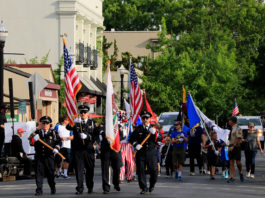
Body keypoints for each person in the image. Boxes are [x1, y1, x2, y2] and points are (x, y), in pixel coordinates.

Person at [29, 116, 61, 196]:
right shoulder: (36, 133)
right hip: (39, 156)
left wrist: (57, 148)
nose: (45, 125)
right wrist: (33, 140)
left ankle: (52, 187)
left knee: (50, 174)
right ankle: (39, 190)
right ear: (41, 124)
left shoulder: (53, 133)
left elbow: (59, 142)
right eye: (43, 123)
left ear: (49, 124)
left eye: (47, 123)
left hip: (49, 156)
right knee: (39, 174)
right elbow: (30, 143)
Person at [128, 111, 158, 194]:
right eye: (143, 118)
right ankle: (143, 188)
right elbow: (131, 139)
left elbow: (160, 139)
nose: (145, 120)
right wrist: (136, 144)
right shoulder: (138, 129)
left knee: (154, 170)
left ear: (150, 119)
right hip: (141, 153)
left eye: (147, 118)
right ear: (141, 119)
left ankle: (152, 185)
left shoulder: (154, 128)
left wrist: (156, 133)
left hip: (151, 152)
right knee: (141, 171)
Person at [71, 105, 96, 195]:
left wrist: (88, 136)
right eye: (81, 112)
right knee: (79, 170)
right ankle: (80, 188)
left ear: (88, 114)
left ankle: (90, 186)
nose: (83, 114)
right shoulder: (76, 123)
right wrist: (72, 123)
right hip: (79, 150)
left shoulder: (92, 123)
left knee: (90, 169)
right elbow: (67, 128)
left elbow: (95, 136)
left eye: (84, 112)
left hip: (88, 150)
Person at [99, 123, 121, 194]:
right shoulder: (102, 127)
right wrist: (103, 135)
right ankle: (106, 187)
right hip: (105, 150)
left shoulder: (117, 126)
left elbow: (122, 135)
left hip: (115, 150)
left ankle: (116, 183)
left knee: (117, 168)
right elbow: (99, 135)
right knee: (105, 169)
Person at [227, 116, 244, 183]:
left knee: (238, 162)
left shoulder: (237, 128)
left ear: (232, 121)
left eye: (229, 120)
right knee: (231, 162)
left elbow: (239, 138)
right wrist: (229, 147)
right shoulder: (231, 128)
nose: (229, 122)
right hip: (231, 145)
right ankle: (232, 177)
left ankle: (240, 172)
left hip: (236, 146)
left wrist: (233, 146)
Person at [119, 118, 135, 183]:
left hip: (128, 145)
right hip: (120, 144)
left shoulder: (129, 126)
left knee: (130, 162)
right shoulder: (117, 126)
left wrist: (132, 142)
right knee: (121, 161)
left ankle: (129, 176)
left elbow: (133, 135)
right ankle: (120, 177)